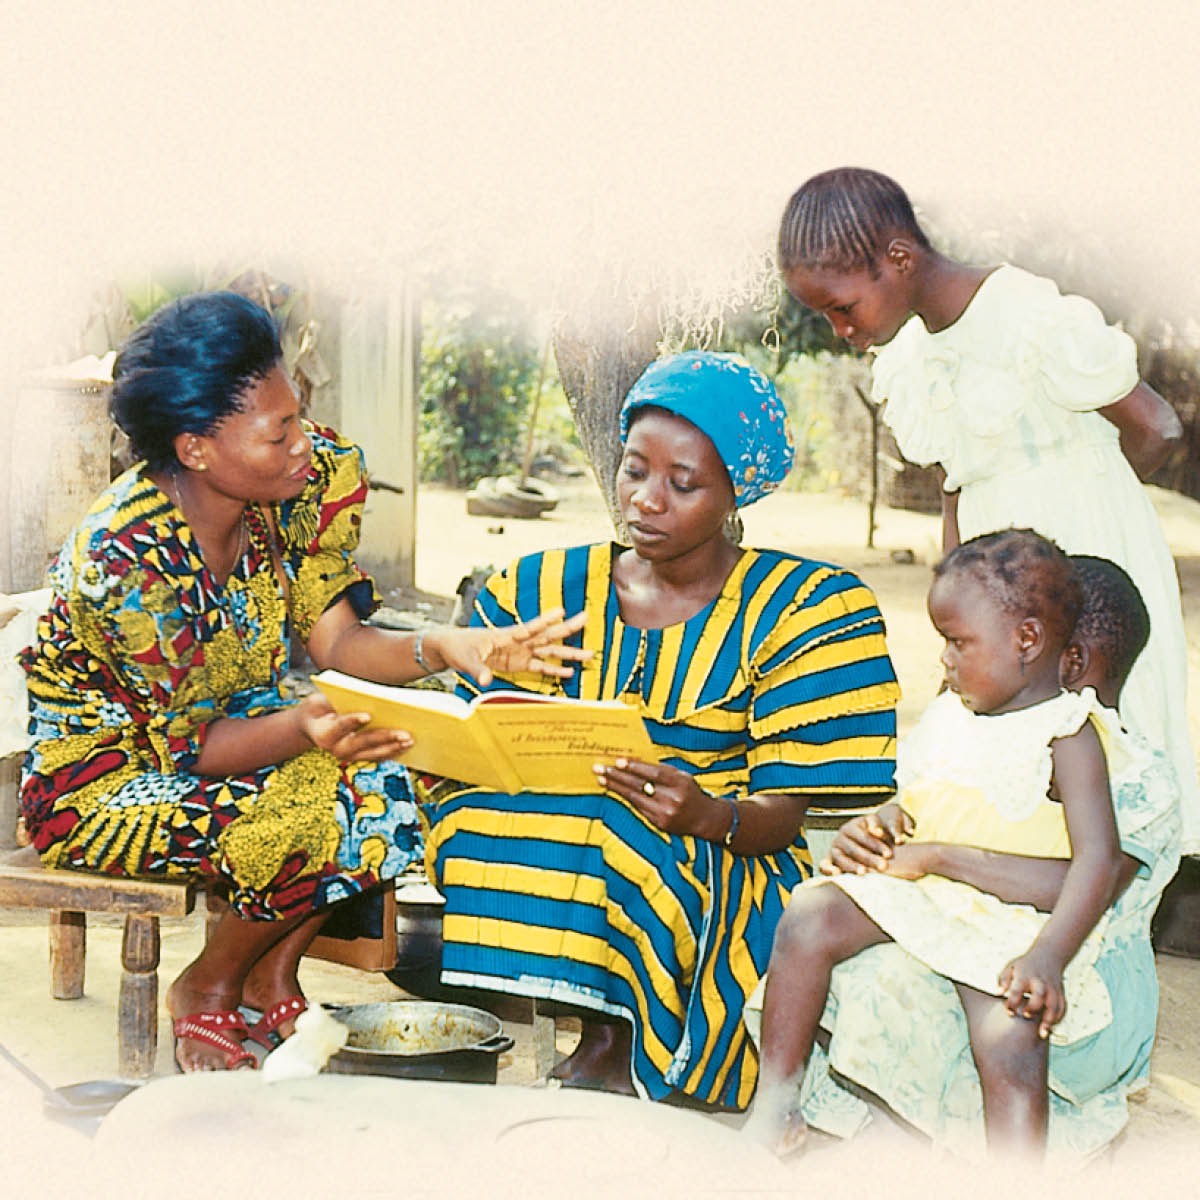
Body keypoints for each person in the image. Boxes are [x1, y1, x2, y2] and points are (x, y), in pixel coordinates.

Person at [19, 291, 588, 1073]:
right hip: (108, 782)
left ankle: (269, 974)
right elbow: (193, 752)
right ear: (195, 450)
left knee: (393, 763)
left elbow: (340, 642)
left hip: (238, 732)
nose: (302, 445)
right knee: (316, 796)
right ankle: (208, 987)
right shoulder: (126, 556)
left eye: (298, 416)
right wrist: (310, 724)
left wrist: (455, 645)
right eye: (278, 431)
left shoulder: (294, 485)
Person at [422, 350, 900, 1110]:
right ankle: (592, 1028)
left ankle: (618, 1048)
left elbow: (783, 821)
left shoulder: (803, 611)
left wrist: (708, 813)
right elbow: (482, 734)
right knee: (475, 820)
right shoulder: (545, 589)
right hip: (542, 818)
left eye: (683, 484)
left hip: (722, 851)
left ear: (734, 493)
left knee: (618, 829)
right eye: (634, 470)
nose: (646, 500)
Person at [776, 166, 1198, 855]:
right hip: (995, 585)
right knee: (1008, 785)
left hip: (1089, 564)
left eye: (843, 307)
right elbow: (954, 483)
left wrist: (1081, 519)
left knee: (1103, 778)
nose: (839, 330)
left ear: (899, 260)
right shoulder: (909, 357)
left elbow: (1155, 426)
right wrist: (960, 589)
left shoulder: (1028, 316)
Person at [743, 552, 1181, 1163]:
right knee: (810, 915)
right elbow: (929, 799)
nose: (944, 662)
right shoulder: (963, 713)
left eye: (958, 643)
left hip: (1019, 928)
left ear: (1042, 648)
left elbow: (1093, 868)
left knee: (1008, 1031)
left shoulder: (1084, 742)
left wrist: (1044, 955)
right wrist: (883, 826)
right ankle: (775, 1105)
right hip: (938, 904)